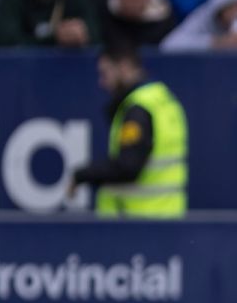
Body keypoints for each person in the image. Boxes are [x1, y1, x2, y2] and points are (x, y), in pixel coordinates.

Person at [68, 40, 189, 216]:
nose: (102, 82)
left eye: (105, 73)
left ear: (124, 66)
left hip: (138, 222)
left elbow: (128, 167)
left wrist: (82, 175)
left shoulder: (138, 109)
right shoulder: (163, 99)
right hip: (166, 217)